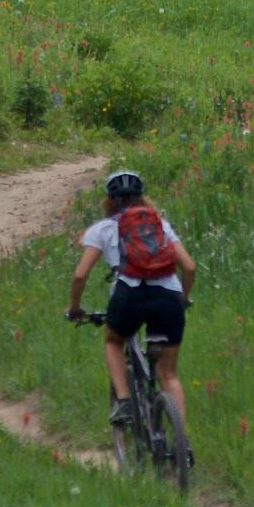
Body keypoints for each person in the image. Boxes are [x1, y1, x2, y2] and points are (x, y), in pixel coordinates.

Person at [66, 167, 195, 432]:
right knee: (168, 374)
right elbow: (190, 267)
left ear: (109, 200)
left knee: (114, 341)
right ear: (141, 197)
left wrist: (74, 308)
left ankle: (123, 400)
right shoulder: (161, 224)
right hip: (168, 298)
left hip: (129, 295)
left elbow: (80, 275)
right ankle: (182, 440)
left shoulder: (102, 228)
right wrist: (183, 298)